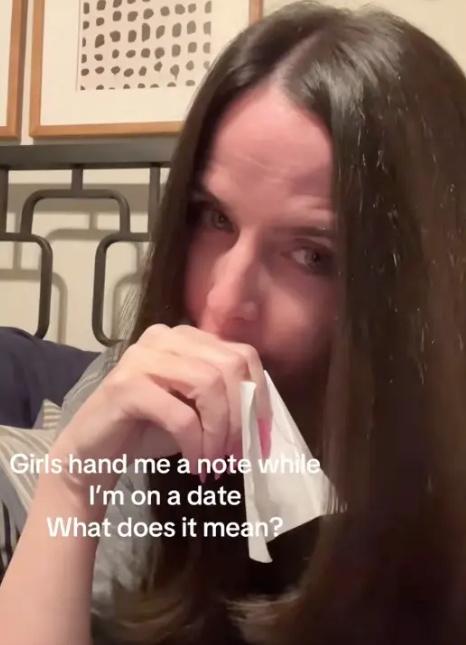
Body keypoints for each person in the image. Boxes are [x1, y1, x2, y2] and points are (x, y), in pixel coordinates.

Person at [2, 1, 466, 643]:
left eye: (312, 255)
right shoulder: (138, 396)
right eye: (215, 218)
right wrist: (74, 482)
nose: (223, 303)